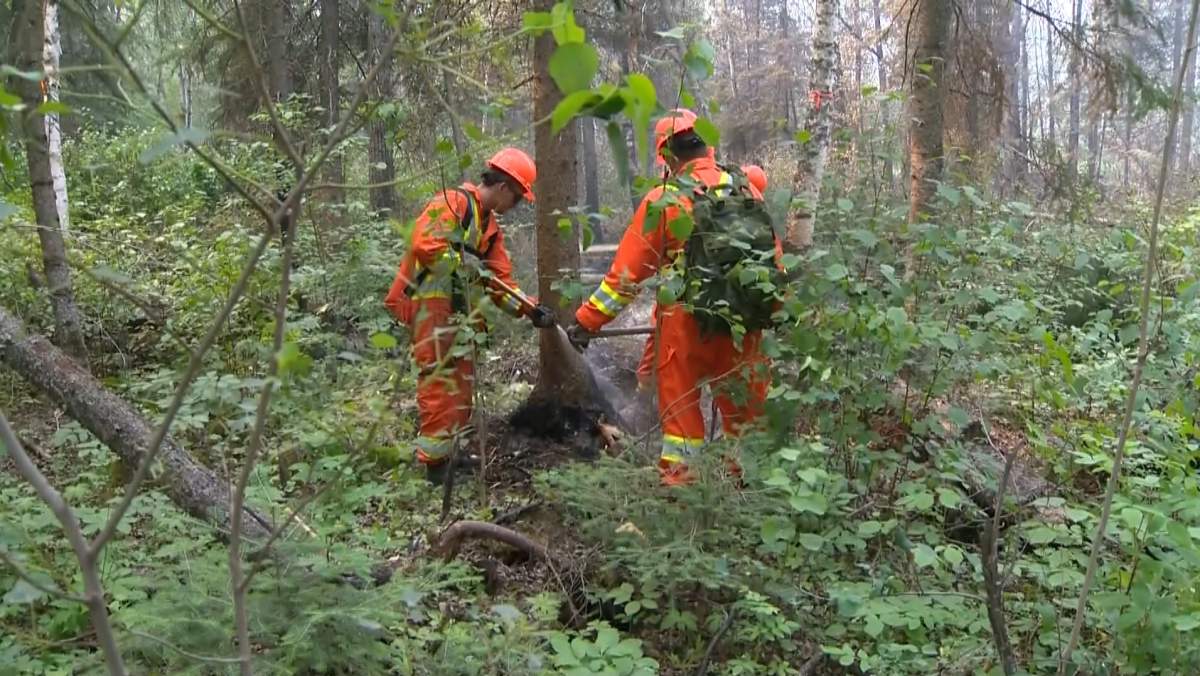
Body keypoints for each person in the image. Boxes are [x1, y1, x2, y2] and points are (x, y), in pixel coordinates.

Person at [567, 110, 773, 486]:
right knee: (746, 420)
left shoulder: (665, 200)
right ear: (705, 144)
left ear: (666, 156)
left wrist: (585, 322)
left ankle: (682, 495)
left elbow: (624, 279)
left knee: (681, 427)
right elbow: (773, 263)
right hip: (744, 324)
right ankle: (747, 495)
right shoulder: (747, 189)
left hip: (685, 327)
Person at [384, 148, 554, 485]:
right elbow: (424, 243)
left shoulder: (489, 229)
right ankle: (434, 465)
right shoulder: (454, 202)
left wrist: (530, 309)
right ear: (505, 187)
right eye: (518, 198)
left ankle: (450, 452)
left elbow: (501, 283)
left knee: (461, 384)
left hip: (457, 313)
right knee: (438, 381)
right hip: (429, 306)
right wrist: (467, 266)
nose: (515, 206)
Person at [633, 162, 770, 389]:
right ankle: (647, 384)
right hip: (741, 320)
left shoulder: (681, 200)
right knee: (744, 398)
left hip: (685, 316)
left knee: (662, 332)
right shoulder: (753, 211)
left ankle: (645, 387)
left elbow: (632, 269)